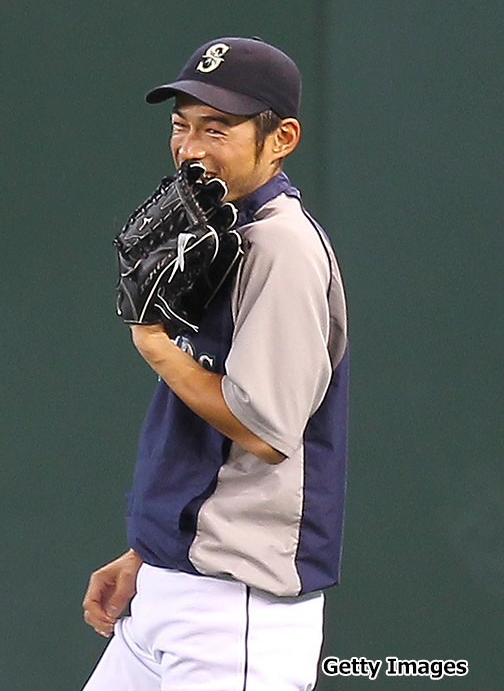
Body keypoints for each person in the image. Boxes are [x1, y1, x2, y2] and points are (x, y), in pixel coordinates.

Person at [81, 37, 348, 690]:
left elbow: (265, 432)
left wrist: (155, 345)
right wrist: (150, 552)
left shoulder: (281, 246)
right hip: (173, 589)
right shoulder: (222, 228)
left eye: (217, 129)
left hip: (238, 615)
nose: (191, 147)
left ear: (281, 137)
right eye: (181, 126)